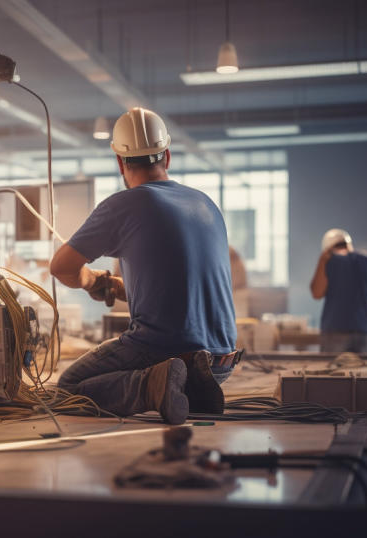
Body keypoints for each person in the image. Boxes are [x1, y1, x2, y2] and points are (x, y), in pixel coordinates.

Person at [50, 107, 240, 425]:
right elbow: (178, 288)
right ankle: (180, 388)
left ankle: (152, 387)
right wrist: (111, 285)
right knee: (162, 368)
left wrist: (88, 279)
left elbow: (62, 268)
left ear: (120, 162)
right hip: (220, 363)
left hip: (166, 350)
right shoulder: (206, 203)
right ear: (166, 157)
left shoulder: (125, 204)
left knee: (68, 388)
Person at [310, 229, 367, 353]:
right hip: (362, 332)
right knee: (361, 372)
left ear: (327, 248)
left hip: (333, 332)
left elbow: (317, 293)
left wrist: (322, 260)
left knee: (331, 371)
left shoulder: (328, 262)